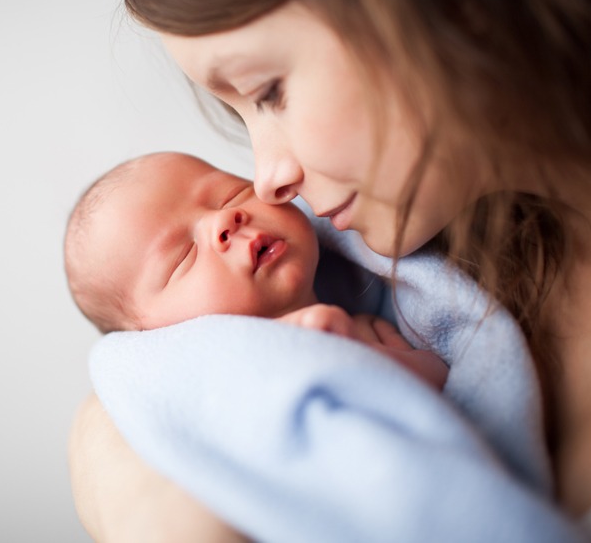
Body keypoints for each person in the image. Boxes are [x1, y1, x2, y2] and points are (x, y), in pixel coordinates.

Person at [70, 0, 591, 541]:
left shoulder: (406, 298)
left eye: (268, 92)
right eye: (243, 114)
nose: (266, 181)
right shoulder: (457, 257)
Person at [64, 151, 449, 388]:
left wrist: (365, 357)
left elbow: (442, 380)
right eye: (183, 256)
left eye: (229, 194)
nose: (225, 220)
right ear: (157, 338)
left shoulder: (363, 327)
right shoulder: (216, 388)